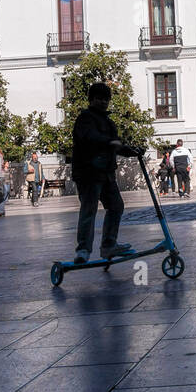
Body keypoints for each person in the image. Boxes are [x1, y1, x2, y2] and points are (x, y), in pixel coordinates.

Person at [73, 81, 140, 263]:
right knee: (89, 210)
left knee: (116, 206)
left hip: (106, 174)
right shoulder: (85, 118)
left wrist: (132, 151)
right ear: (91, 99)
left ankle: (109, 245)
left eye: (106, 99)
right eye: (99, 99)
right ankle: (83, 250)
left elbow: (116, 144)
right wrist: (110, 143)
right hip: (88, 174)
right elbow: (89, 137)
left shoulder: (109, 122)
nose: (103, 102)